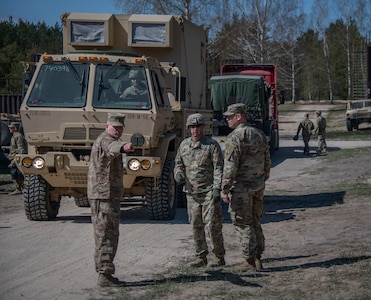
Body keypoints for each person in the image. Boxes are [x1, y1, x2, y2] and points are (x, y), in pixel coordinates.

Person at [221, 103, 271, 272]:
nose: (227, 119)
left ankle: (249, 260)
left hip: (241, 188)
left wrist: (225, 188)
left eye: (230, 116)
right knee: (255, 221)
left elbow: (230, 167)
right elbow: (267, 161)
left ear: (239, 116)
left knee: (243, 223)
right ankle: (257, 257)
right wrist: (262, 179)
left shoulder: (235, 137)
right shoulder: (259, 134)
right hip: (257, 186)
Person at [87, 112, 134, 287]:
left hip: (108, 195)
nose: (118, 130)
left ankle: (105, 272)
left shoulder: (107, 138)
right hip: (103, 195)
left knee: (108, 233)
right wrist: (125, 147)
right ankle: (104, 274)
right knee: (106, 234)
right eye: (115, 127)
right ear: (107, 126)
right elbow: (114, 147)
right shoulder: (106, 140)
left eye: (121, 127)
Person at [174, 113, 225, 268]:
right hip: (191, 193)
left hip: (209, 191)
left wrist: (217, 188)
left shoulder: (211, 145)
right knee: (196, 225)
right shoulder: (184, 145)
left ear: (203, 127)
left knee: (212, 225)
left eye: (198, 127)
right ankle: (201, 256)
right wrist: (178, 174)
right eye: (192, 127)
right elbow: (178, 164)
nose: (195, 130)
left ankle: (218, 256)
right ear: (189, 129)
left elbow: (218, 168)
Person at [7, 122, 27, 195]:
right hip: (13, 156)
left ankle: (20, 188)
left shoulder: (18, 136)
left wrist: (15, 160)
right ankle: (18, 188)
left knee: (17, 173)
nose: (9, 129)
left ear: (15, 128)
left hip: (17, 157)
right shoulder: (14, 136)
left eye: (11, 128)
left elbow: (21, 149)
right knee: (14, 173)